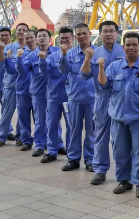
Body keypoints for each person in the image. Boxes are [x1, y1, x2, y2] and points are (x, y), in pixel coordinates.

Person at [97, 31, 139, 198]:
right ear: (123, 47)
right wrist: (101, 68)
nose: (131, 47)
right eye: (128, 45)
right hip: (118, 117)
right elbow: (104, 85)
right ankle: (124, 181)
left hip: (138, 117)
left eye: (134, 44)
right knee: (120, 151)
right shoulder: (114, 66)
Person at [85, 21, 125, 185]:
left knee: (121, 138)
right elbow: (84, 75)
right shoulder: (94, 53)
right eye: (105, 31)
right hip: (102, 100)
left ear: (117, 33)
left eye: (112, 31)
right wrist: (87, 59)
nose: (109, 34)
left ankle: (123, 174)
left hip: (121, 101)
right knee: (101, 136)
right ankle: (100, 170)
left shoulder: (125, 51)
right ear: (100, 34)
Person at [17, 29, 60, 157]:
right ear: (36, 40)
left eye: (44, 35)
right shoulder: (31, 56)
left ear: (50, 38)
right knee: (40, 121)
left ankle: (58, 145)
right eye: (39, 36)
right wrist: (19, 58)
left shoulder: (57, 52)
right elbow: (22, 71)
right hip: (39, 93)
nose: (42, 38)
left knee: (55, 121)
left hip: (55, 92)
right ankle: (40, 145)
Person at [60, 23, 96, 171]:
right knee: (74, 130)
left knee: (91, 131)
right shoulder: (70, 53)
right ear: (75, 37)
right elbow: (63, 70)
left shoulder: (97, 52)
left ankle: (90, 159)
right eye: (79, 34)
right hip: (74, 98)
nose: (82, 36)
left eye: (84, 33)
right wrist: (63, 55)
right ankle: (73, 159)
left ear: (90, 34)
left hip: (93, 99)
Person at [39, 27, 73, 163]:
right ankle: (52, 151)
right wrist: (42, 60)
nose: (64, 40)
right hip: (53, 96)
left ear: (72, 39)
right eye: (62, 38)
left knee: (71, 126)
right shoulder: (52, 56)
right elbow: (44, 71)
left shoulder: (76, 55)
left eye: (67, 38)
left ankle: (71, 153)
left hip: (70, 98)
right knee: (52, 124)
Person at [0, 23, 29, 147]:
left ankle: (20, 137)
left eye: (24, 30)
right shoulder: (9, 47)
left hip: (25, 87)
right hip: (11, 85)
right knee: (6, 113)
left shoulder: (31, 48)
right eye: (19, 30)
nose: (21, 32)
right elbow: (0, 63)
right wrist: (1, 51)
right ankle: (1, 137)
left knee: (23, 114)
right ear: (16, 32)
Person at [10, 29, 37, 151]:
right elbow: (17, 70)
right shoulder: (20, 53)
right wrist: (19, 57)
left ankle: (42, 141)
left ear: (35, 38)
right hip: (23, 90)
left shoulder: (42, 52)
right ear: (24, 40)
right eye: (27, 38)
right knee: (23, 117)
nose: (29, 40)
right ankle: (26, 140)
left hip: (38, 92)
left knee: (40, 119)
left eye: (31, 37)